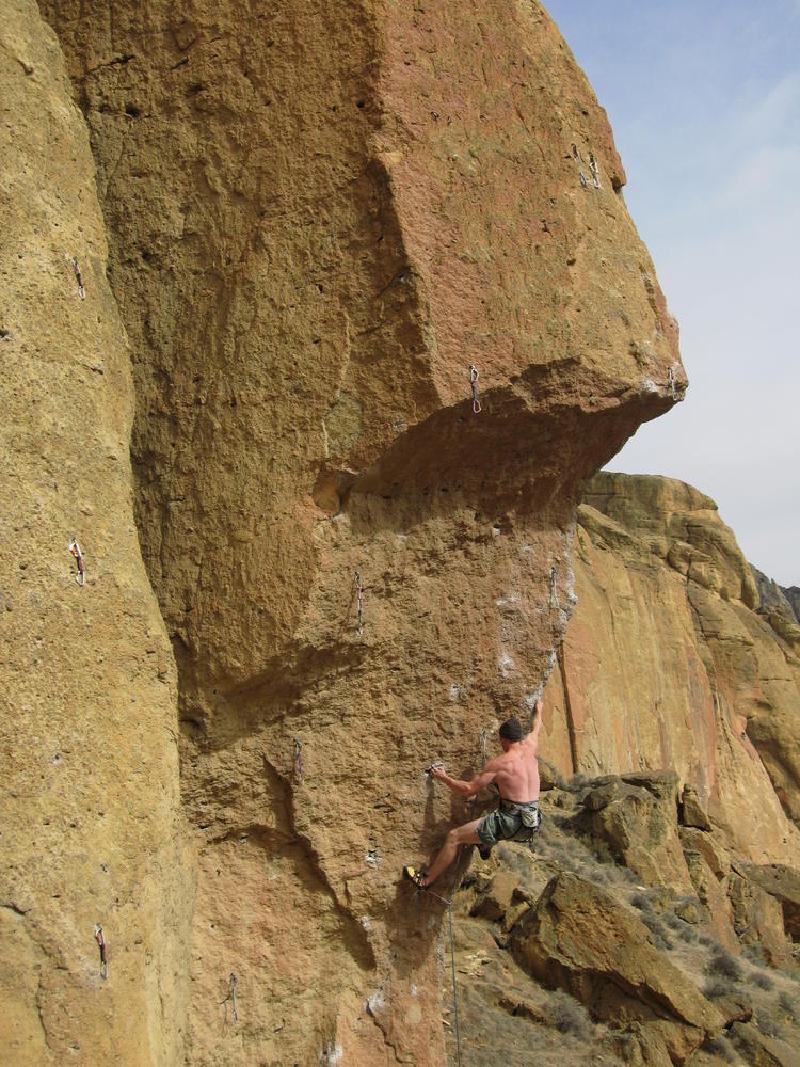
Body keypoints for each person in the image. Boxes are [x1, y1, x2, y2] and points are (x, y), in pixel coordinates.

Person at [406, 698, 544, 889]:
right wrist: (539, 709)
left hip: (510, 822)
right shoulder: (531, 744)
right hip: (532, 823)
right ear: (520, 737)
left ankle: (425, 880)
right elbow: (537, 724)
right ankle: (485, 843)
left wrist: (444, 777)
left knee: (454, 836)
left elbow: (468, 790)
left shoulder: (501, 763)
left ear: (504, 739)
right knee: (497, 801)